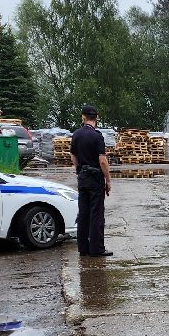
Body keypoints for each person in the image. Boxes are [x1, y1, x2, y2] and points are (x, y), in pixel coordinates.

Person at [72, 105, 113, 257]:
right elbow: (102, 160)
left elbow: (73, 156)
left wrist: (79, 170)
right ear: (97, 118)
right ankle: (97, 249)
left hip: (82, 177)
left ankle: (83, 248)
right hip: (95, 178)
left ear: (83, 117)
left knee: (83, 213)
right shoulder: (97, 136)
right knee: (96, 214)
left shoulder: (76, 135)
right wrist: (108, 180)